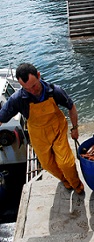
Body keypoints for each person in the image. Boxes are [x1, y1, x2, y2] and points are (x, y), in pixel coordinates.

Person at [0, 63, 84, 195]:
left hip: (57, 130)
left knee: (66, 163)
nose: (32, 91)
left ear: (38, 75)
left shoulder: (55, 91)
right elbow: (1, 118)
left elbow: (71, 107)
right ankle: (65, 180)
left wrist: (75, 128)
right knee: (47, 165)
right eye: (26, 88)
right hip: (38, 135)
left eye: (33, 85)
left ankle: (77, 184)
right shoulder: (17, 99)